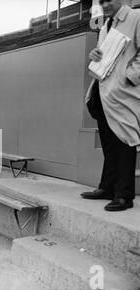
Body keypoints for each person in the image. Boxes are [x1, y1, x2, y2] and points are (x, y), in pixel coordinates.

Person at [82, 0, 140, 212]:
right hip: (102, 90)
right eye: (101, 0)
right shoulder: (105, 25)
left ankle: (124, 195)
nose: (104, 3)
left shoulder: (136, 17)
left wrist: (128, 77)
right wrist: (94, 54)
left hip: (122, 92)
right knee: (109, 142)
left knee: (124, 140)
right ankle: (107, 188)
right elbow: (102, 53)